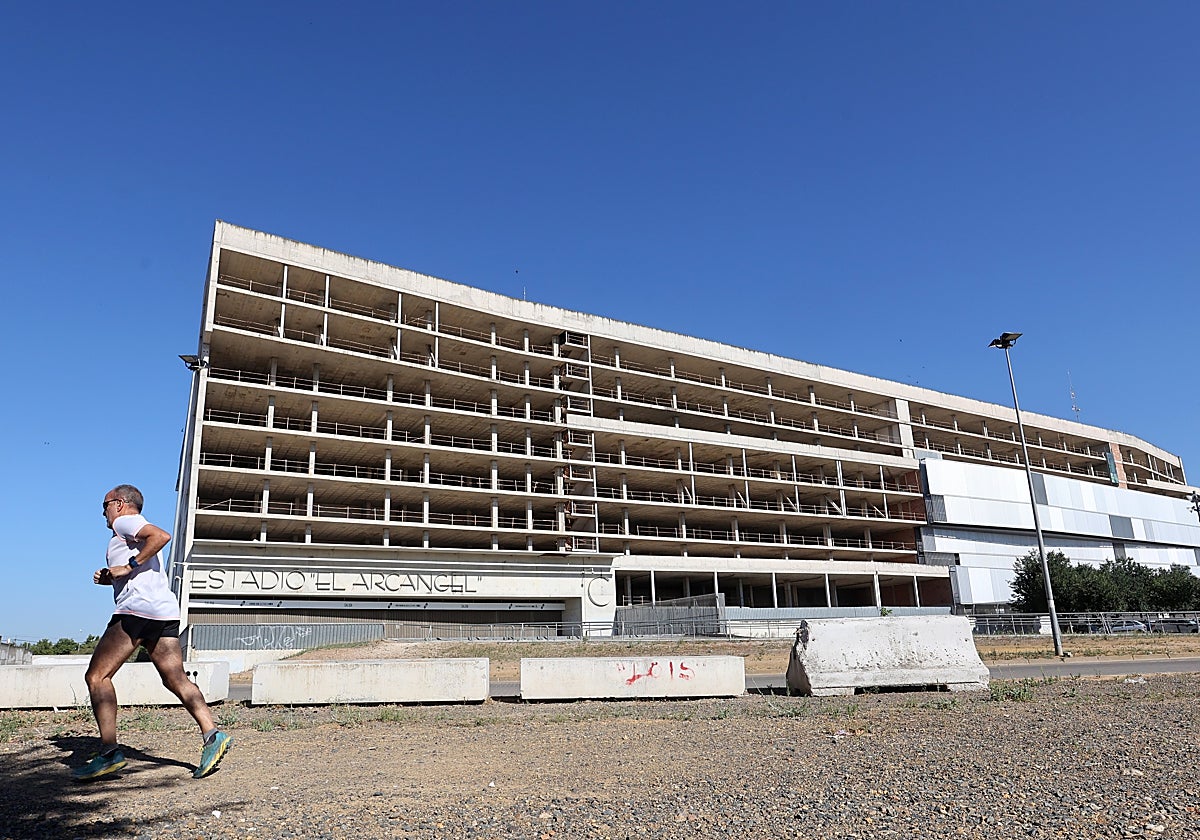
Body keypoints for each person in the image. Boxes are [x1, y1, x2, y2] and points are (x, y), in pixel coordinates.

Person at [72, 484, 232, 781]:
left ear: (120, 503)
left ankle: (109, 753)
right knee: (175, 679)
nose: (103, 513)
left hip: (137, 612)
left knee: (97, 677)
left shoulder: (124, 522)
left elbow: (161, 536)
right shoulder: (126, 534)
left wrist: (128, 566)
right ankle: (212, 735)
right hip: (163, 612)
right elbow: (139, 569)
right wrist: (112, 577)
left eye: (105, 505)